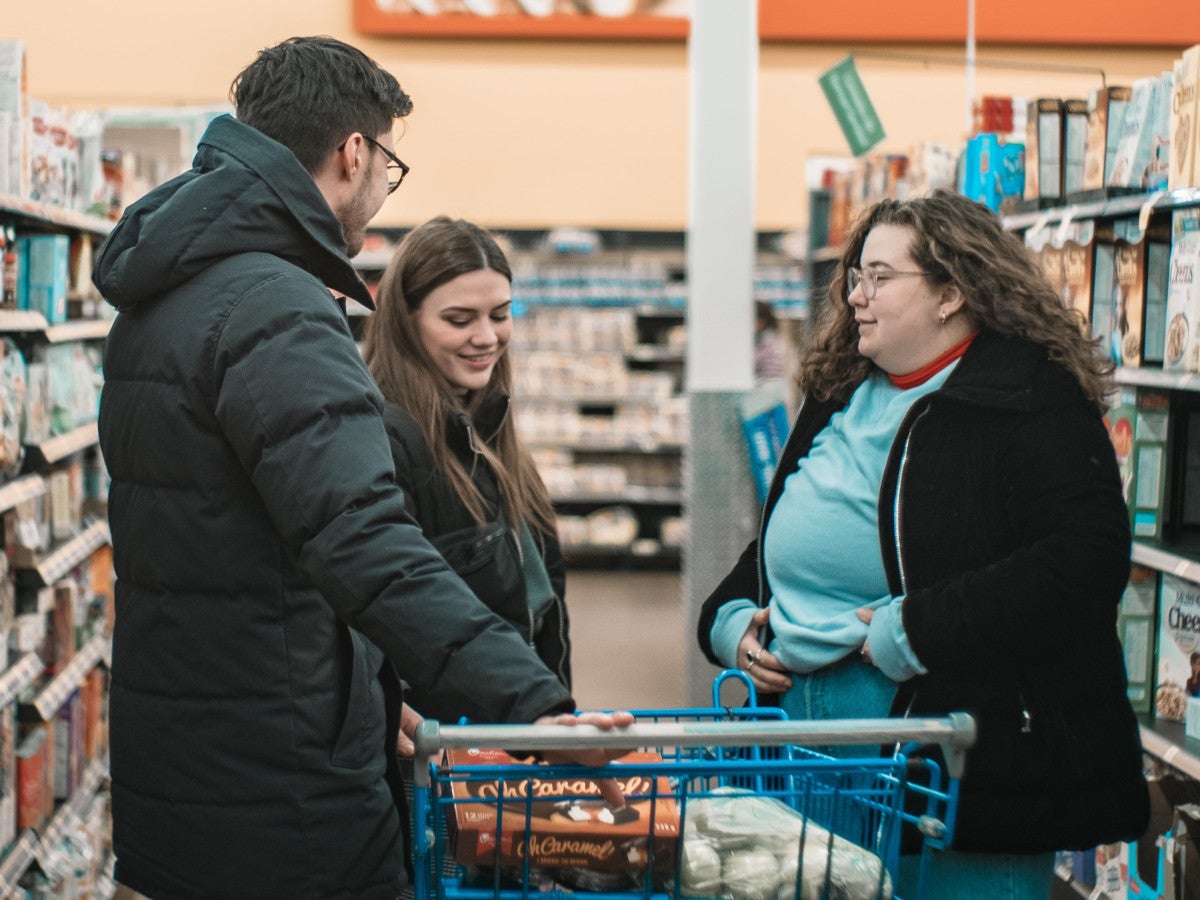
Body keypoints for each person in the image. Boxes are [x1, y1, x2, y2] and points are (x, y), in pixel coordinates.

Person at [93, 37, 629, 900]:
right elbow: (363, 540)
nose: (384, 188)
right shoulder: (277, 306)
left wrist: (374, 698)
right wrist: (536, 710)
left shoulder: (168, 292)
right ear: (355, 153)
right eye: (390, 164)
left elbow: (240, 548)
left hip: (190, 755)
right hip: (286, 791)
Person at [697, 189, 1149, 899]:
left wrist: (916, 629)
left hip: (958, 760)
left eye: (881, 277)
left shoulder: (1028, 398)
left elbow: (1082, 561)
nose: (857, 297)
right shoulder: (842, 390)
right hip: (808, 749)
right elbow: (787, 534)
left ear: (951, 293)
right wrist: (729, 618)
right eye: (855, 278)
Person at [362, 216, 571, 707]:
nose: (486, 337)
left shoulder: (492, 427)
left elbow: (542, 602)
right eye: (459, 320)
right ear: (406, 321)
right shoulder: (387, 441)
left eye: (500, 314)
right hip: (449, 746)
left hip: (512, 732)